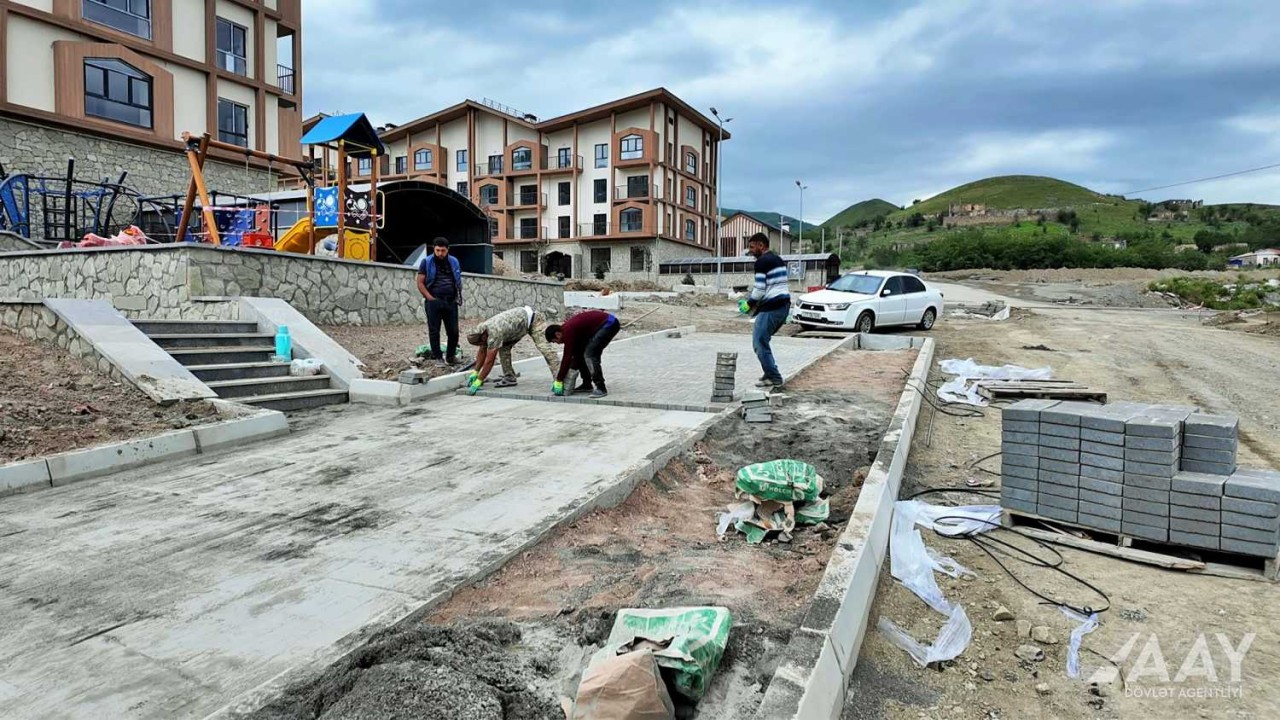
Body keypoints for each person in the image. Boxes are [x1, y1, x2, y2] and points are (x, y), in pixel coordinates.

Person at [464, 306, 560, 394]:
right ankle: (510, 377)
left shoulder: (494, 332)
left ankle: (559, 379)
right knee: (504, 348)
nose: (482, 345)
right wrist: (475, 372)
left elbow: (489, 361)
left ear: (484, 337)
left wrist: (479, 380)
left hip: (534, 320)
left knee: (545, 348)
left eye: (481, 343)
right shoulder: (482, 330)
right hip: (517, 328)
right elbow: (482, 351)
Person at [745, 232, 790, 388]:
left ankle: (774, 377)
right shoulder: (777, 259)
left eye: (752, 247)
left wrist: (748, 304)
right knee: (764, 340)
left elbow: (759, 290)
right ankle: (768, 372)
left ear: (761, 246)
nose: (750, 251)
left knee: (759, 342)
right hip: (783, 307)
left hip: (773, 306)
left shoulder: (762, 262)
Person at [545, 310, 620, 399]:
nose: (557, 343)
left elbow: (567, 357)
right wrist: (572, 369)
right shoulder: (569, 331)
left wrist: (559, 380)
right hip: (605, 324)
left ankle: (601, 388)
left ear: (557, 334)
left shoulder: (568, 332)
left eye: (555, 341)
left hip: (609, 324)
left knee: (590, 354)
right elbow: (577, 355)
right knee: (582, 354)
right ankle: (587, 384)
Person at [416, 237, 463, 367]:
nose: (440, 253)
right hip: (434, 301)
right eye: (438, 250)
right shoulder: (426, 262)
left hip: (451, 301)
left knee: (453, 331)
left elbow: (457, 278)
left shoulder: (454, 262)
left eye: (443, 250)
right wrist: (430, 298)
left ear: (448, 250)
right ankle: (438, 358)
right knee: (434, 330)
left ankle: (451, 356)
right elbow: (420, 282)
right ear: (434, 249)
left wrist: (457, 295)